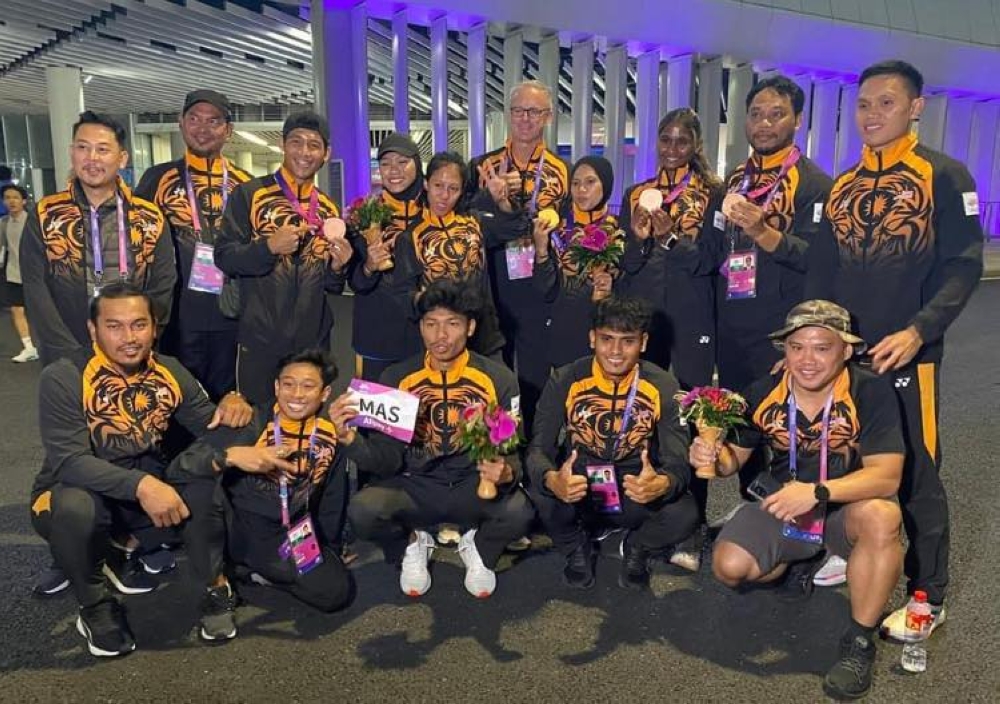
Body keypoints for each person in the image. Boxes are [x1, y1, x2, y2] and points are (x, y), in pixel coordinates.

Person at [806, 60, 985, 635]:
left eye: (886, 103)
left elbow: (963, 267)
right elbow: (821, 274)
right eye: (863, 105)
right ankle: (855, 546)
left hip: (909, 358)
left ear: (915, 108)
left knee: (918, 475)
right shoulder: (843, 185)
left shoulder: (945, 176)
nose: (872, 115)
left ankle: (928, 593)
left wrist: (918, 331)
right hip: (848, 360)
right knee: (849, 462)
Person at [691, 300, 905, 700]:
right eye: (796, 347)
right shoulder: (763, 391)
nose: (807, 360)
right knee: (730, 568)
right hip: (784, 506)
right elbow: (731, 462)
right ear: (784, 351)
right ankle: (800, 560)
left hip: (844, 509)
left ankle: (858, 644)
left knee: (882, 516)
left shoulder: (869, 390)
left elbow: (887, 475)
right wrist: (711, 455)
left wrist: (817, 492)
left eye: (822, 347)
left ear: (845, 350)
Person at [28, 283, 252, 657]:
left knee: (200, 478)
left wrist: (235, 406)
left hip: (142, 493)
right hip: (74, 493)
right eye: (114, 326)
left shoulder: (169, 370)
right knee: (73, 507)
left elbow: (210, 428)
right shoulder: (64, 376)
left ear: (154, 327)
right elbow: (70, 461)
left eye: (138, 325)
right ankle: (95, 605)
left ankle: (215, 586)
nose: (129, 338)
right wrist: (144, 485)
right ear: (92, 329)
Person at [683, 76, 833, 508]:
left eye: (776, 114)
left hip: (782, 331)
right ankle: (755, 510)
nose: (764, 123)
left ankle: (803, 521)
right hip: (732, 328)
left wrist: (762, 230)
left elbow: (814, 259)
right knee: (743, 422)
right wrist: (672, 240)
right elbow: (711, 250)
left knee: (789, 426)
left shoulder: (813, 184)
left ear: (797, 120)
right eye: (756, 114)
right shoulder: (733, 180)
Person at [342, 279, 534, 599]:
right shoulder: (396, 377)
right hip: (416, 484)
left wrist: (507, 472)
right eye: (430, 324)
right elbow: (386, 459)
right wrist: (351, 441)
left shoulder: (499, 378)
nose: (440, 335)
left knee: (520, 513)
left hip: (471, 483)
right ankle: (412, 544)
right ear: (420, 328)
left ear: (470, 327)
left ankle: (479, 549)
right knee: (363, 510)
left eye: (452, 324)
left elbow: (513, 447)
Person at [168, 348, 355, 641]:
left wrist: (330, 546)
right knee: (199, 486)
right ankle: (217, 585)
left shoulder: (331, 434)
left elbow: (332, 496)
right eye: (288, 384)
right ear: (276, 386)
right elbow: (180, 468)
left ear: (324, 393)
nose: (296, 394)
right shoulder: (251, 420)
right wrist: (230, 456)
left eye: (308, 386)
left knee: (334, 593)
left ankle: (251, 573)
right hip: (235, 527)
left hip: (288, 534)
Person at [528, 296, 699, 591]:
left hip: (634, 484)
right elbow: (537, 449)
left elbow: (678, 461)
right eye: (607, 339)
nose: (616, 352)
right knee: (536, 494)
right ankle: (576, 548)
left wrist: (663, 483)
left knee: (685, 513)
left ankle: (637, 547)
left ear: (643, 342)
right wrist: (552, 479)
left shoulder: (663, 385)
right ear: (592, 338)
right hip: (580, 484)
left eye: (627, 341)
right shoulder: (566, 379)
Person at [215, 111, 353, 406]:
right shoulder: (249, 194)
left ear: (326, 154)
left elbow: (330, 285)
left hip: (312, 342)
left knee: (308, 423)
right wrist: (268, 248)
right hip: (259, 340)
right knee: (257, 422)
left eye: (314, 145)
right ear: (283, 145)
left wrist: (338, 268)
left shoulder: (328, 208)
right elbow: (224, 257)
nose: (304, 152)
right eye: (296, 142)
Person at [20, 111, 177, 367]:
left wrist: (139, 340)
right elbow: (36, 289)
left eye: (102, 149)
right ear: (72, 153)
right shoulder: (46, 214)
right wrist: (65, 350)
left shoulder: (149, 217)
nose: (91, 158)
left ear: (122, 158)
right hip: (65, 353)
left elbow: (163, 284)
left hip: (132, 352)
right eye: (83, 147)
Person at [135, 90, 252, 401]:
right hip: (176, 316)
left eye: (213, 121)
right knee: (177, 399)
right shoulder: (156, 178)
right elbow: (136, 245)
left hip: (231, 313)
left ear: (228, 130)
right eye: (194, 119)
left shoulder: (246, 184)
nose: (203, 128)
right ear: (181, 124)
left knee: (228, 400)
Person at [469, 80, 569, 431]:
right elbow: (469, 221)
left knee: (534, 375)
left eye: (535, 112)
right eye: (519, 111)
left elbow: (567, 227)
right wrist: (492, 201)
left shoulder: (560, 170)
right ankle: (492, 448)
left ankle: (533, 451)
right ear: (509, 114)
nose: (525, 119)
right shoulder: (484, 165)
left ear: (548, 117)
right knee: (491, 372)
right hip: (492, 282)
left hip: (535, 285)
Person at [619, 108, 723, 388]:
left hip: (693, 310)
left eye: (682, 141)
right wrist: (638, 240)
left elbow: (711, 259)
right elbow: (625, 265)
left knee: (692, 396)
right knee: (644, 395)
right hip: (644, 311)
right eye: (665, 140)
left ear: (696, 145)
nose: (672, 149)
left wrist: (670, 240)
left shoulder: (713, 194)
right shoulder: (635, 194)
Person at [393, 152, 506, 359]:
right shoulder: (411, 237)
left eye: (453, 188)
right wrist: (433, 301)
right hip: (441, 343)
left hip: (485, 337)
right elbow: (403, 296)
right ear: (426, 184)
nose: (444, 195)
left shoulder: (475, 223)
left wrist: (502, 202)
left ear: (462, 190)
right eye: (438, 186)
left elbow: (515, 229)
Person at [531, 156, 622, 369]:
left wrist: (610, 286)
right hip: (564, 332)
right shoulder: (555, 228)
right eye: (576, 183)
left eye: (590, 182)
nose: (582, 189)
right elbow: (544, 289)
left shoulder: (619, 229)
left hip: (608, 333)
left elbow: (631, 284)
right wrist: (542, 249)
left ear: (606, 185)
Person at [347, 132, 425, 382]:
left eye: (403, 162)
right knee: (375, 418)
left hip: (426, 334)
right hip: (377, 334)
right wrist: (369, 266)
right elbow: (356, 282)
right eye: (386, 163)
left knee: (422, 412)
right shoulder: (365, 214)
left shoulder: (433, 211)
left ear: (417, 164)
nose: (394, 170)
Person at [0, 183, 37, 362]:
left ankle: (49, 345)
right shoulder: (4, 223)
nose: (11, 201)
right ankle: (28, 347)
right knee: (17, 310)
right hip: (13, 273)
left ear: (23, 200)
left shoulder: (32, 221)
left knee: (41, 312)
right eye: (7, 198)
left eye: (15, 197)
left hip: (35, 275)